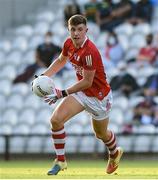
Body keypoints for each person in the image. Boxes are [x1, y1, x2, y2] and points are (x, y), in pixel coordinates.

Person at [33, 14, 123, 175]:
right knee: (55, 120)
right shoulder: (69, 43)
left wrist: (62, 93)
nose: (76, 33)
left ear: (86, 30)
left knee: (101, 134)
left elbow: (88, 82)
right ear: (68, 30)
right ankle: (60, 161)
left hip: (99, 97)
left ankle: (115, 152)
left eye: (80, 30)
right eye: (73, 29)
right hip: (82, 93)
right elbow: (61, 60)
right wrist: (43, 76)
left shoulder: (90, 52)